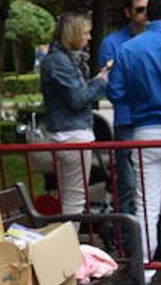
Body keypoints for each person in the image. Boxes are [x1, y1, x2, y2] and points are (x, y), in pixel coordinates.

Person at [108, 0, 161, 285]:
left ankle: (145, 271)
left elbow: (116, 93)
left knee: (145, 204)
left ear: (147, 14)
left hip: (146, 133)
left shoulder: (129, 49)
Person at [40, 13, 110, 215]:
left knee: (70, 196)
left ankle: (65, 241)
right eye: (86, 33)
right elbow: (77, 100)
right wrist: (100, 82)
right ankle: (68, 244)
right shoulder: (59, 62)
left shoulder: (61, 60)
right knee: (75, 199)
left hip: (68, 135)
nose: (89, 37)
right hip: (71, 136)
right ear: (74, 34)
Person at [97, 0, 151, 248]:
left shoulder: (157, 38)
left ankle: (153, 241)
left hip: (153, 123)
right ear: (128, 12)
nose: (145, 15)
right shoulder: (113, 43)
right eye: (140, 10)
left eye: (149, 10)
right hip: (129, 122)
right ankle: (131, 246)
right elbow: (113, 88)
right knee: (129, 185)